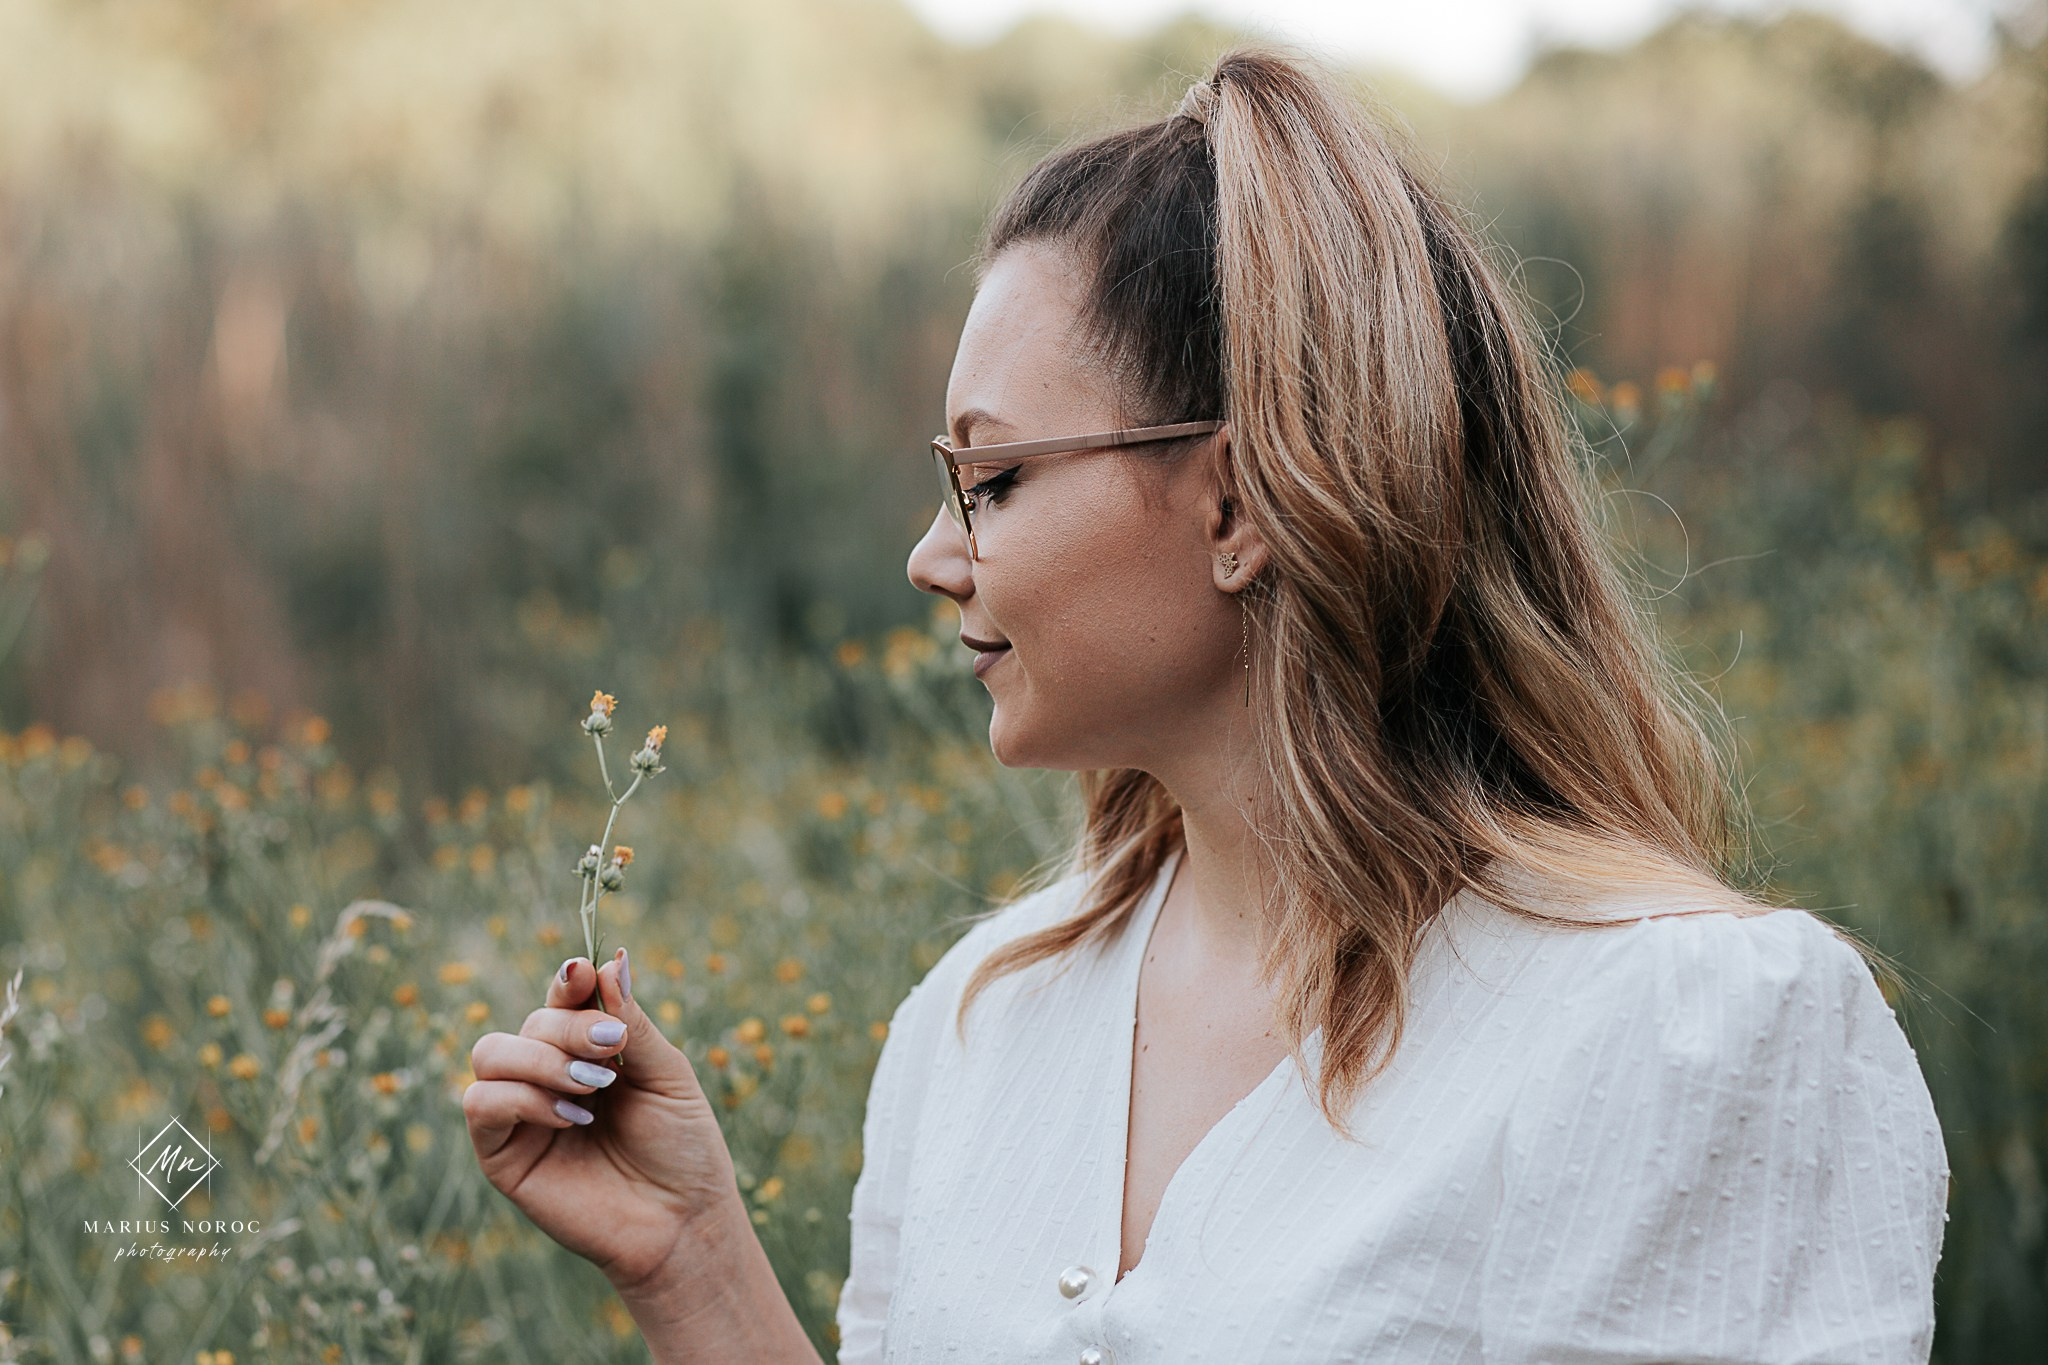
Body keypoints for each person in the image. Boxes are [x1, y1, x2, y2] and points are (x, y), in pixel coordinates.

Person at [462, 44, 1949, 1364]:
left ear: (1238, 502)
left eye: (993, 479)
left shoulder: (1681, 1037)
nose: (932, 557)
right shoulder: (976, 1027)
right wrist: (695, 1264)